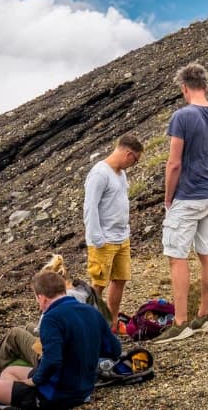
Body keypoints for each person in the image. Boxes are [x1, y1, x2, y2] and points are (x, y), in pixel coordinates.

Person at [152, 63, 208, 344]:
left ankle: (181, 322)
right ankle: (204, 316)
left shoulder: (182, 116)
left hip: (188, 196)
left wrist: (167, 197)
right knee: (207, 252)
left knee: (177, 256)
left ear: (184, 87)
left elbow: (174, 163)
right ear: (206, 86)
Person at [0, 271, 121, 409]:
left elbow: (53, 360)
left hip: (55, 395)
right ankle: (13, 400)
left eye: (36, 298)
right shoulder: (91, 312)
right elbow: (115, 350)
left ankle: (25, 400)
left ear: (41, 297)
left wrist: (35, 381)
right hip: (85, 389)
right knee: (10, 371)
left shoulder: (51, 318)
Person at [0, 255, 105, 384]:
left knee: (15, 334)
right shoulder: (81, 292)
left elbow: (45, 333)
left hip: (64, 359)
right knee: (27, 327)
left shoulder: (56, 306)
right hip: (84, 350)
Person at [84, 134, 143, 333]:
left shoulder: (121, 174)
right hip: (103, 240)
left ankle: (112, 321)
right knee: (98, 283)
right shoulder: (100, 174)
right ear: (127, 154)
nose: (134, 164)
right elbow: (90, 207)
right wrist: (96, 238)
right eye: (135, 160)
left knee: (120, 279)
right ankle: (91, 325)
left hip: (121, 237)